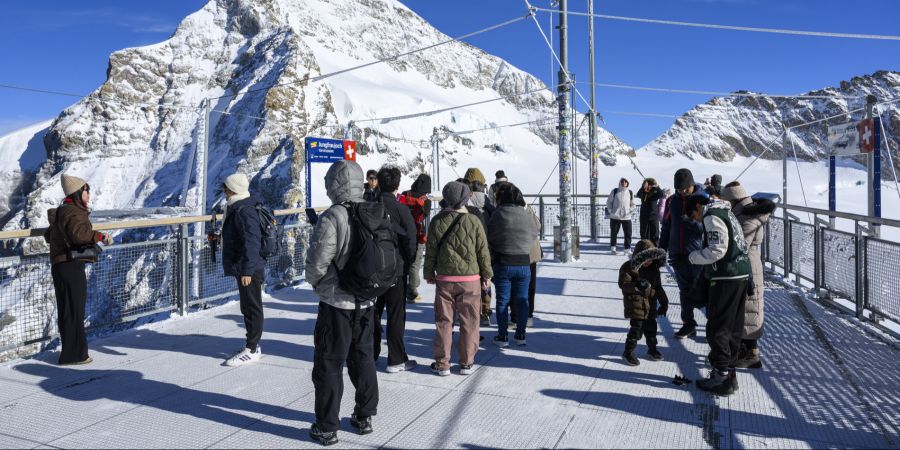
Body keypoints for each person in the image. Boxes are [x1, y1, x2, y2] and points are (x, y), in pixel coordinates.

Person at [306, 160, 379, 445]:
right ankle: (364, 416)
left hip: (337, 302)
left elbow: (318, 260)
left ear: (335, 184)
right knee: (363, 358)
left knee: (329, 362)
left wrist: (315, 283)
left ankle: (326, 426)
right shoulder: (373, 209)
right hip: (368, 299)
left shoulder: (333, 216)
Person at [424, 181, 492, 376]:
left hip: (445, 280)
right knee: (470, 322)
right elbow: (483, 253)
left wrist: (429, 274)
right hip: (470, 280)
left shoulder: (437, 221)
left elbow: (431, 252)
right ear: (465, 198)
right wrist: (487, 275)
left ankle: (442, 363)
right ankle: (466, 362)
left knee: (444, 322)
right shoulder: (474, 221)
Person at [44, 174, 112, 366]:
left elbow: (49, 236)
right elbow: (78, 234)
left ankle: (70, 353)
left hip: (60, 266)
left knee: (67, 309)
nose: (89, 194)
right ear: (78, 193)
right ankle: (75, 356)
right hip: (70, 265)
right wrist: (99, 236)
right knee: (75, 309)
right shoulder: (73, 211)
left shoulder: (62, 210)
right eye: (86, 190)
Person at [687, 194, 751, 396]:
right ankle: (729, 373)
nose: (696, 219)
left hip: (725, 277)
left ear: (698, 206)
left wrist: (694, 257)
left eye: (693, 215)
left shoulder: (711, 216)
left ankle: (721, 376)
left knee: (718, 327)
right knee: (733, 327)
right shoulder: (727, 212)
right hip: (740, 274)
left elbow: (717, 249)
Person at [721, 181, 776, 369]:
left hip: (747, 266)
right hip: (749, 263)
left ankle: (750, 353)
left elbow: (740, 244)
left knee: (749, 307)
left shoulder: (747, 217)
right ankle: (745, 350)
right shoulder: (747, 212)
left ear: (734, 199)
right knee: (747, 306)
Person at [217, 173, 268, 367]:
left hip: (250, 267)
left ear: (233, 190)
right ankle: (252, 345)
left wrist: (247, 270)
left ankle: (252, 348)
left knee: (252, 306)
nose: (224, 191)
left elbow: (252, 242)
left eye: (226, 188)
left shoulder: (243, 210)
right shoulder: (239, 205)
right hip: (246, 265)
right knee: (248, 306)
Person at [373, 167, 418, 373]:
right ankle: (396, 359)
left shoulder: (368, 206)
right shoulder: (401, 209)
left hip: (371, 269)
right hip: (396, 269)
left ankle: (368, 354)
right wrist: (407, 263)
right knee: (395, 315)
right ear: (397, 185)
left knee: (371, 313)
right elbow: (410, 240)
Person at [488, 182, 539, 347]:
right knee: (522, 300)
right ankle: (520, 334)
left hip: (503, 263)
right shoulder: (526, 214)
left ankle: (502, 337)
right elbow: (535, 232)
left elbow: (490, 236)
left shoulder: (498, 213)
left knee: (502, 300)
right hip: (524, 263)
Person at [659, 169, 707, 339]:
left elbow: (709, 227)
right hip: (677, 254)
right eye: (679, 189)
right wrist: (662, 249)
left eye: (686, 188)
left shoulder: (703, 200)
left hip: (697, 255)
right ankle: (688, 324)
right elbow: (666, 227)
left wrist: (693, 221)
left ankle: (713, 327)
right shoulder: (673, 201)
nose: (683, 191)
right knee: (684, 291)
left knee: (703, 292)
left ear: (692, 184)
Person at [617, 239, 669, 366]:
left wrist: (664, 303)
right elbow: (623, 284)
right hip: (635, 303)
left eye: (651, 259)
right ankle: (628, 352)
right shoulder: (628, 267)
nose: (648, 262)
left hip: (650, 304)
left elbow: (658, 287)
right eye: (645, 259)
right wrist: (636, 285)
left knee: (651, 328)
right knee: (637, 329)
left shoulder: (654, 269)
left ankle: (652, 350)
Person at [463, 168, 495, 326]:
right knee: (486, 280)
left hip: (468, 246)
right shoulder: (488, 202)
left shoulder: (464, 199)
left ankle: (470, 312)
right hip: (487, 247)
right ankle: (486, 310)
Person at [399, 174, 432, 304]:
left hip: (402, 232)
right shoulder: (425, 200)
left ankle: (401, 288)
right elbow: (426, 214)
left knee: (403, 261)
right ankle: (412, 292)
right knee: (415, 263)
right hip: (418, 234)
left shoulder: (404, 194)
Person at [511, 201, 542, 329]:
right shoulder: (529, 211)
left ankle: (519, 317)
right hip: (529, 254)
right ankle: (525, 316)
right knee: (528, 288)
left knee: (519, 287)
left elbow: (537, 226)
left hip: (521, 254)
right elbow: (538, 226)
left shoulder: (517, 212)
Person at [605, 178, 635, 255]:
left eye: (625, 181)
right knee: (614, 233)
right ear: (620, 183)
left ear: (627, 183)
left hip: (626, 216)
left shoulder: (630, 192)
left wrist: (630, 210)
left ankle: (627, 249)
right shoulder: (615, 191)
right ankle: (613, 249)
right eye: (622, 181)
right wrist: (610, 211)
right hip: (615, 216)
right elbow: (609, 202)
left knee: (628, 233)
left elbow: (633, 204)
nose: (624, 183)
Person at [638, 178, 665, 244]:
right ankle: (644, 247)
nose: (649, 185)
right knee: (644, 233)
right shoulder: (643, 190)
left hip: (654, 215)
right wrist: (643, 187)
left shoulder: (655, 191)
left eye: (651, 184)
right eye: (648, 184)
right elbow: (638, 195)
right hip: (644, 215)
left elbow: (662, 194)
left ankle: (655, 247)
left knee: (655, 233)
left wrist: (657, 186)